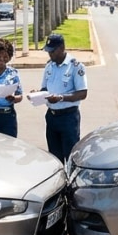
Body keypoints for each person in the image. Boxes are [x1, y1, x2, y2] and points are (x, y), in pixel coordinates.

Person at [39, 33, 88, 162]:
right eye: (48, 51)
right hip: (51, 116)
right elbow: (45, 88)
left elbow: (82, 93)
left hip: (68, 118)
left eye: (52, 51)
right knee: (54, 158)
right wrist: (38, 94)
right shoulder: (49, 65)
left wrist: (60, 98)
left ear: (62, 48)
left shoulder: (75, 66)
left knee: (71, 156)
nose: (50, 54)